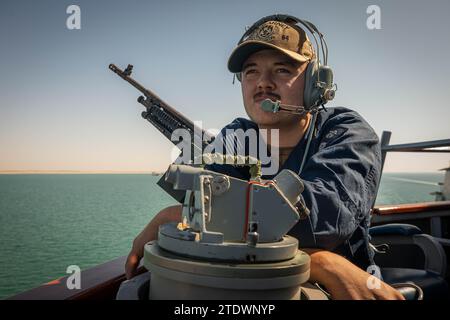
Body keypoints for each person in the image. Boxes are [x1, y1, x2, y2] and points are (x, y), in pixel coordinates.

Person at [125, 15, 404, 300]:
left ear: (316, 83)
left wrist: (171, 216)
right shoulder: (236, 135)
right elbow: (204, 204)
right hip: (248, 285)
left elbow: (316, 225)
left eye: (282, 70)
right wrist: (321, 262)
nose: (263, 83)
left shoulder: (348, 133)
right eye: (251, 72)